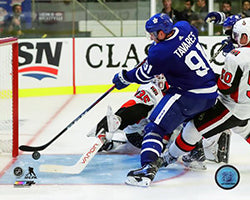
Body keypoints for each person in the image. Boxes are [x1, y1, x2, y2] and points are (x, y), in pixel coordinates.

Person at [112, 12, 218, 187]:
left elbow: (144, 75)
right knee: (188, 121)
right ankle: (197, 153)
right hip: (210, 92)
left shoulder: (160, 52)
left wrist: (124, 77)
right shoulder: (184, 27)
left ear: (162, 33)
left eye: (154, 34)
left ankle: (147, 170)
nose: (152, 37)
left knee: (155, 127)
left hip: (189, 94)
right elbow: (183, 45)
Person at [161, 17, 250, 174]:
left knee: (192, 129)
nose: (235, 39)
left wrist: (208, 76)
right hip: (247, 108)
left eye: (238, 36)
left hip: (231, 108)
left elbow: (225, 88)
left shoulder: (236, 56)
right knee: (245, 130)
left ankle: (168, 157)